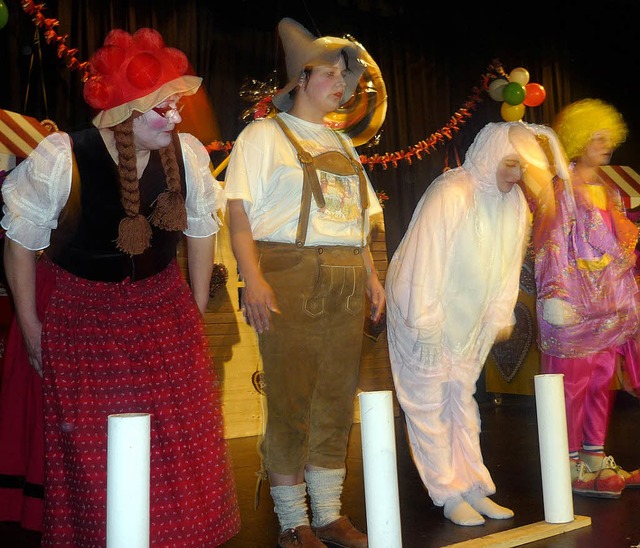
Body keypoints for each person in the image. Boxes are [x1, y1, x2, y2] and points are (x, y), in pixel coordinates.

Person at [0, 27, 240, 545]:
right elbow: (20, 244)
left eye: (176, 107)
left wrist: (194, 309)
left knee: (180, 441)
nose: (176, 118)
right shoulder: (64, 157)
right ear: (126, 111)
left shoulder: (187, 156)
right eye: (164, 109)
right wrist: (30, 323)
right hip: (85, 315)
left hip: (162, 306)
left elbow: (202, 230)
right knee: (99, 447)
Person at [224, 17, 385, 548]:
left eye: (347, 75)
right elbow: (239, 216)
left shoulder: (344, 143)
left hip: (344, 276)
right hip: (288, 273)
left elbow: (356, 218)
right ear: (300, 77)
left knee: (337, 399)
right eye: (331, 73)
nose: (343, 84)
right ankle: (293, 520)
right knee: (291, 400)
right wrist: (254, 280)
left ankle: (329, 515)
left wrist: (371, 275)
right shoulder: (263, 135)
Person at [385, 121, 549, 527]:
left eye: (522, 167)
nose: (516, 175)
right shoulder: (451, 193)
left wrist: (498, 313)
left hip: (466, 322)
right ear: (491, 154)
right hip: (420, 316)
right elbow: (425, 259)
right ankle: (447, 491)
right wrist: (424, 322)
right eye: (510, 163)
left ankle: (474, 485)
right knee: (428, 403)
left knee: (462, 400)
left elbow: (508, 267)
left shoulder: (512, 205)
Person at [534, 98, 640, 497]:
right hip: (574, 306)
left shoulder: (608, 191)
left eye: (608, 136)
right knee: (571, 386)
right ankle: (569, 463)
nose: (604, 143)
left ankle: (594, 457)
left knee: (599, 383)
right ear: (577, 140)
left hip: (609, 306)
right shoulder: (562, 189)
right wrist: (554, 294)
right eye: (595, 137)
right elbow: (551, 245)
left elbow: (620, 247)